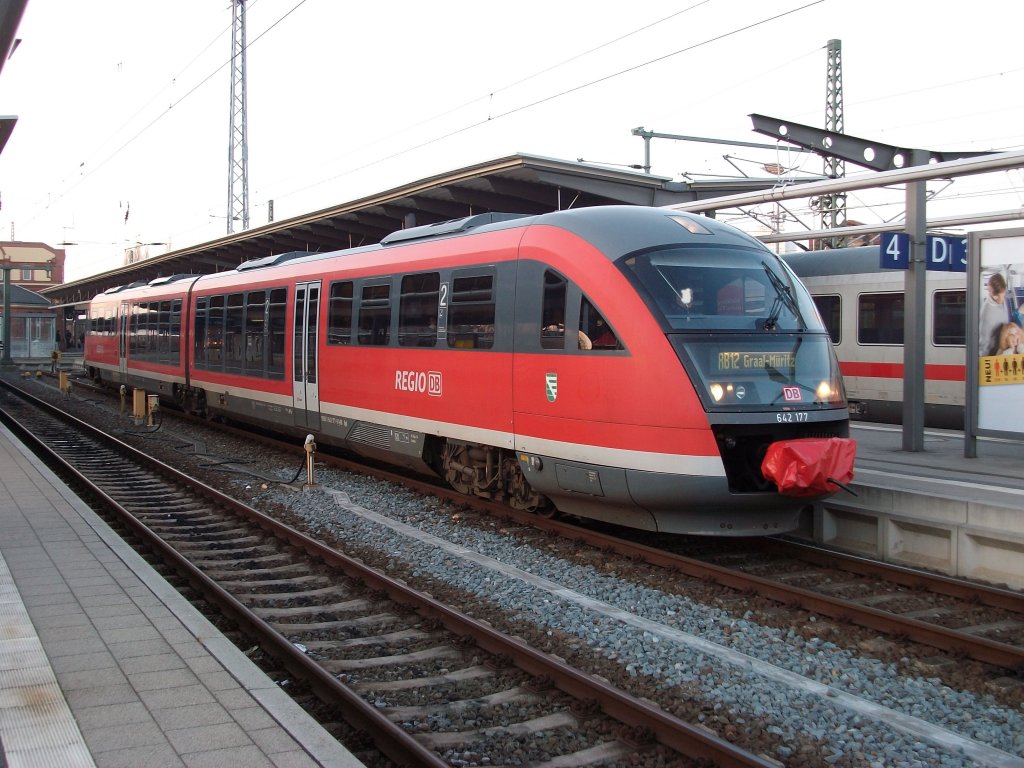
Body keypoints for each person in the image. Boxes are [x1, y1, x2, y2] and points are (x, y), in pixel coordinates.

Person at [979, 272, 1010, 356]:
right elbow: (984, 344)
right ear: (990, 292)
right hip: (993, 355)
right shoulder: (986, 313)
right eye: (997, 296)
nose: (1001, 299)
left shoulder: (1004, 300)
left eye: (1003, 294)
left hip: (1006, 350)